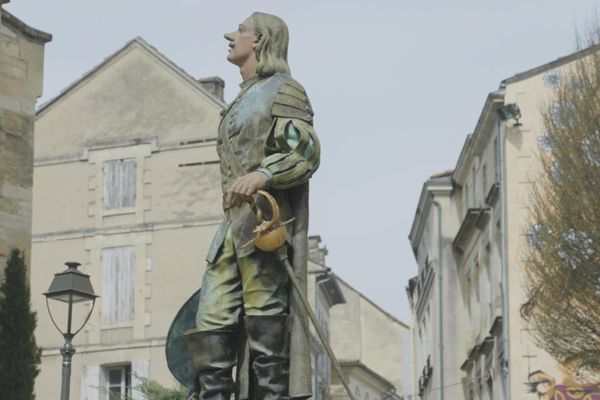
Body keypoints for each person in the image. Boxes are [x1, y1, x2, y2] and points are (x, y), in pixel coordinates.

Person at [184, 12, 320, 400]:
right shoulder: (240, 98)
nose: (231, 35)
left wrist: (263, 174)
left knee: (266, 323)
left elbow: (305, 151)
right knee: (210, 321)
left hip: (264, 229)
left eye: (241, 31)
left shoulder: (285, 89)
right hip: (230, 231)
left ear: (260, 41)